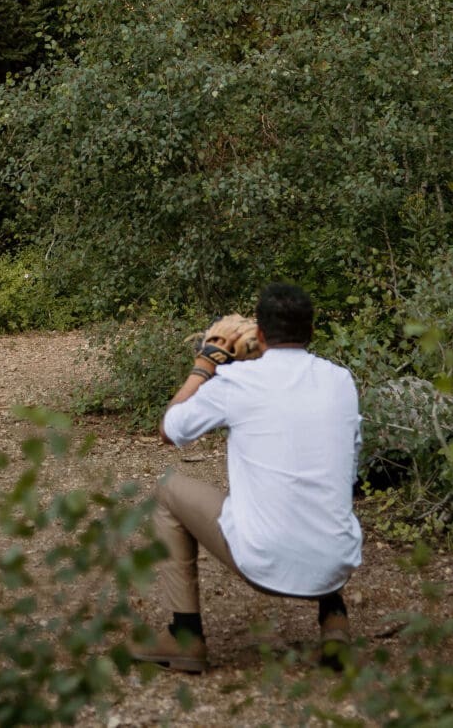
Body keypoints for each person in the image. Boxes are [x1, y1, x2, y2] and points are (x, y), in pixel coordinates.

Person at [130, 282, 362, 673]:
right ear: (311, 331)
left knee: (168, 490)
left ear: (261, 334)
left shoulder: (236, 382)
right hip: (335, 561)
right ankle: (334, 619)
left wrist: (205, 364)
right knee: (323, 479)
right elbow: (350, 473)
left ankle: (185, 635)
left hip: (264, 562)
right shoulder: (341, 381)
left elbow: (170, 429)